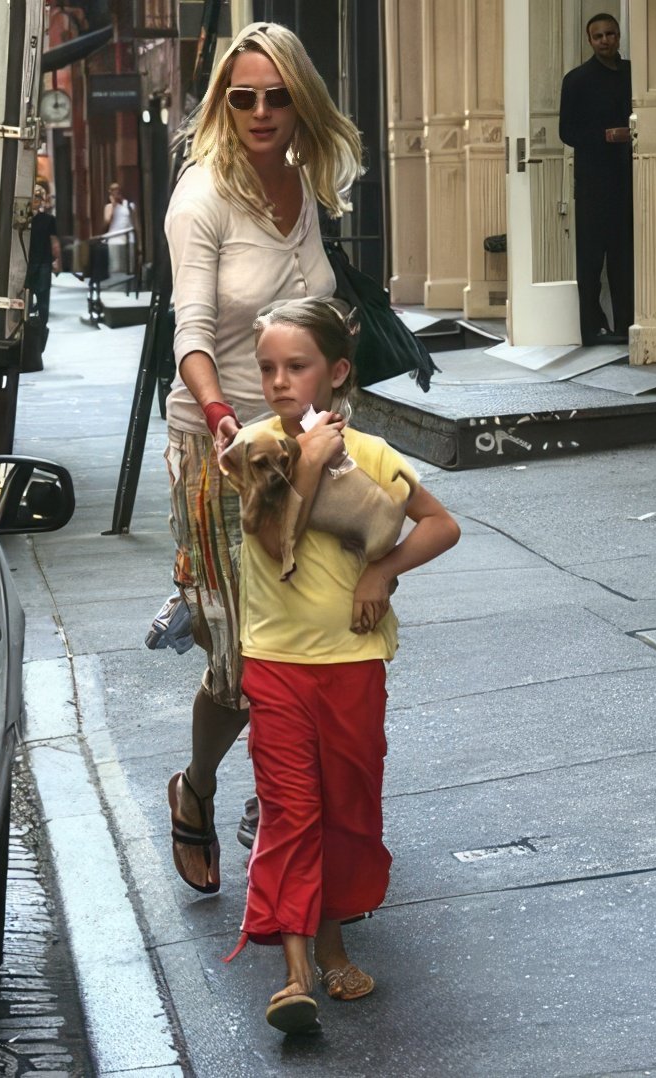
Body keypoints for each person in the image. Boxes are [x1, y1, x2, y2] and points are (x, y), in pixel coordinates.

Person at [218, 296, 461, 1034]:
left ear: (338, 373)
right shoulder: (251, 451)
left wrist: (380, 574)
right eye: (267, 368)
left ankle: (331, 944)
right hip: (277, 662)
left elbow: (442, 525)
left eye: (298, 366)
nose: (280, 382)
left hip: (353, 664)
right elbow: (268, 539)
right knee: (292, 811)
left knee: (348, 809)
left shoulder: (379, 457)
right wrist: (312, 456)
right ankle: (294, 975)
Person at [160, 21, 364, 895]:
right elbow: (193, 333)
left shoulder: (305, 186)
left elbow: (315, 309)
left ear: (300, 103)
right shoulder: (200, 197)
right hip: (223, 454)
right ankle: (198, 789)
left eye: (277, 95)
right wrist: (221, 420)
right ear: (222, 105)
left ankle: (281, 807)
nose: (259, 111)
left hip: (306, 445)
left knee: (320, 640)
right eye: (242, 96)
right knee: (241, 669)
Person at [559, 12, 634, 345]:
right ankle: (590, 328)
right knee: (590, 260)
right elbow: (567, 132)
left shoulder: (633, 74)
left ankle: (626, 327)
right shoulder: (576, 79)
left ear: (618, 36)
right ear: (589, 40)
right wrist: (606, 136)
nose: (606, 41)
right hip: (592, 181)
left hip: (628, 178)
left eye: (611, 34)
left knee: (624, 259)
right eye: (599, 36)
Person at [26, 183, 60, 330]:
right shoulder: (47, 219)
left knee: (36, 298)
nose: (36, 200)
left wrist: (56, 259)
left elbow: (54, 243)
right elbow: (54, 243)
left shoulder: (43, 220)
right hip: (37, 264)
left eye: (37, 198)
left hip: (36, 264)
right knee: (40, 298)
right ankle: (38, 326)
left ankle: (36, 325)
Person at [102, 181, 138, 278]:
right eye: (113, 191)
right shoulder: (109, 207)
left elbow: (134, 222)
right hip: (115, 239)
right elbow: (107, 221)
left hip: (129, 238)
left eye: (117, 190)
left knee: (129, 265)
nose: (116, 193)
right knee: (116, 266)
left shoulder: (129, 206)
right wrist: (113, 206)